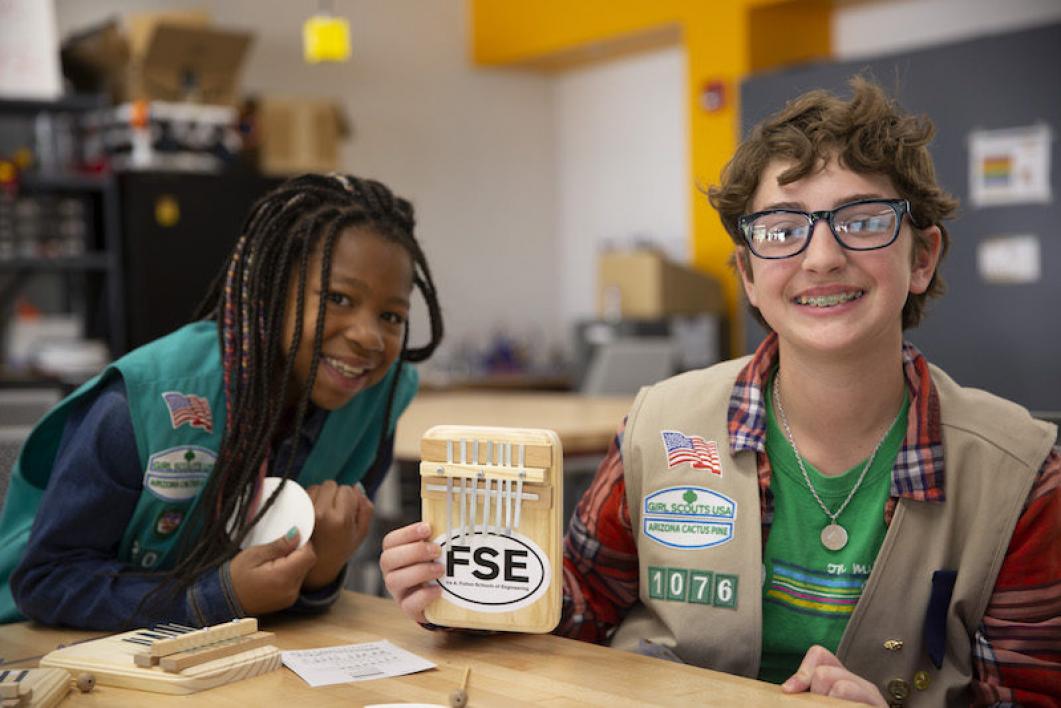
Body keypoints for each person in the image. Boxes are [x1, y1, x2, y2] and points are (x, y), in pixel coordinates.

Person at [379, 78, 1059, 706]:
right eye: (783, 231)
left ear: (922, 257)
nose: (821, 257)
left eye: (861, 220)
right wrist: (469, 596)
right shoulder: (660, 423)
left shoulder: (1021, 476)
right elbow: (581, 608)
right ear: (746, 273)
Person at [0, 173, 443, 630]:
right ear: (273, 291)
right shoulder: (144, 402)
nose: (369, 337)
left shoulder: (377, 400)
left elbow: (285, 593)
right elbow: (46, 582)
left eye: (391, 316)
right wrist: (217, 597)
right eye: (338, 298)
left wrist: (320, 571)